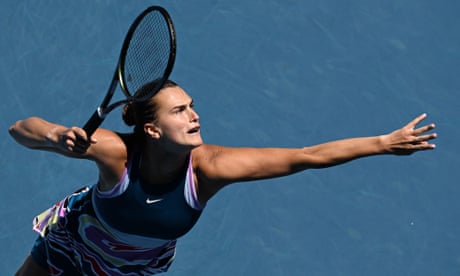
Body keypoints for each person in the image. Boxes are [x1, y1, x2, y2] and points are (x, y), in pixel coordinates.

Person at [10, 80, 437, 275]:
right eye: (179, 111)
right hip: (76, 237)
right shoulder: (116, 153)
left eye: (192, 105)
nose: (194, 115)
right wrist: (54, 135)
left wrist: (383, 142)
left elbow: (306, 156)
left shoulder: (211, 168)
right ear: (152, 130)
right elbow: (20, 130)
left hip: (132, 268)